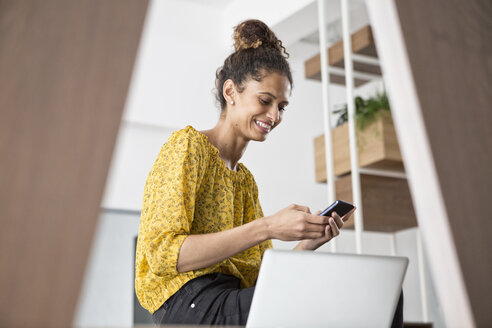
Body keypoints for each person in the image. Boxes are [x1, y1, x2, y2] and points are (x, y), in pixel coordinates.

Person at [135, 19, 402, 327]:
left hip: (233, 300)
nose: (274, 116)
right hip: (190, 305)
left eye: (282, 106)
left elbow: (261, 280)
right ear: (231, 92)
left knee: (384, 294)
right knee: (340, 296)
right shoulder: (188, 147)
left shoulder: (245, 182)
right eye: (265, 101)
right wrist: (268, 226)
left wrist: (307, 244)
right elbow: (165, 255)